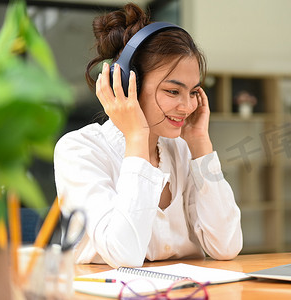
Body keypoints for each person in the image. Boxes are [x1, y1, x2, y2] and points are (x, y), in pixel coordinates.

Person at [53, 3, 243, 268]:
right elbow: (125, 255)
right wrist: (137, 137)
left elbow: (226, 246)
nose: (188, 106)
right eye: (173, 92)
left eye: (193, 92)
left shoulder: (183, 149)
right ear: (127, 84)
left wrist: (201, 145)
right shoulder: (79, 150)